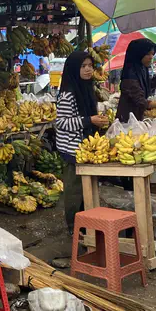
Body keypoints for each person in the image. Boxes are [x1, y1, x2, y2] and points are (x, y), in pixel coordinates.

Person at [55, 52, 109, 232]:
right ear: (73, 69)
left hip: (85, 145)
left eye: (90, 66)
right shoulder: (68, 94)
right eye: (83, 66)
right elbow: (61, 122)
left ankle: (87, 222)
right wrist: (89, 120)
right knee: (74, 189)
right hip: (71, 148)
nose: (88, 69)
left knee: (88, 187)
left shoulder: (87, 88)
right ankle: (73, 226)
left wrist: (96, 121)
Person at [117, 38, 156, 123]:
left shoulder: (142, 69)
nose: (151, 57)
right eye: (148, 54)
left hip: (138, 117)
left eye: (152, 54)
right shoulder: (129, 76)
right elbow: (141, 102)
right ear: (139, 54)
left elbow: (147, 85)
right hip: (127, 121)